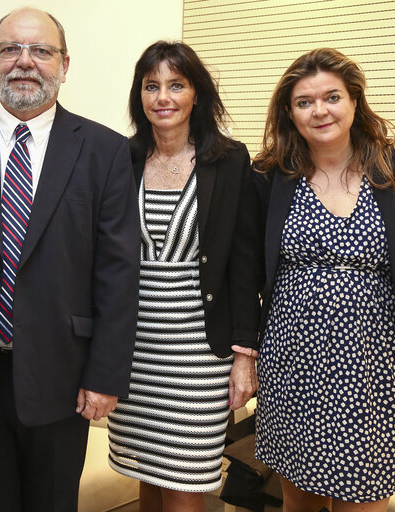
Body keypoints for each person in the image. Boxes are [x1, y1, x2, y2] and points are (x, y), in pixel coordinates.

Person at [0, 7, 140, 511]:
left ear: (65, 64)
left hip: (63, 373)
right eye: (11, 50)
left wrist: (106, 375)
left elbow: (118, 270)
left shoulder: (104, 150)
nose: (25, 62)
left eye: (41, 51)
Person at [252, 48, 395, 511]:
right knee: (299, 497)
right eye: (303, 102)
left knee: (366, 490)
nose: (319, 111)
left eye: (331, 97)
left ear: (354, 100)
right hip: (290, 359)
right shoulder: (271, 174)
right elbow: (252, 262)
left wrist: (366, 306)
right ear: (289, 113)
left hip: (372, 361)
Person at [106, 41, 263, 512]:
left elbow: (243, 262)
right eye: (151, 86)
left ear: (197, 93)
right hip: (133, 352)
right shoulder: (124, 156)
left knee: (185, 487)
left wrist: (244, 355)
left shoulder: (228, 160)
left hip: (199, 353)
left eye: (176, 84)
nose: (163, 97)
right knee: (147, 482)